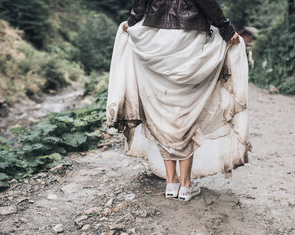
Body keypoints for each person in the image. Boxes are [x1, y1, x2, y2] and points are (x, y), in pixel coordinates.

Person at [106, 0, 251, 201]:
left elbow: (141, 3)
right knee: (186, 110)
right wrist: (226, 29)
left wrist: (132, 21)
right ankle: (185, 185)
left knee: (161, 111)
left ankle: (171, 183)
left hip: (155, 37)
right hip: (189, 37)